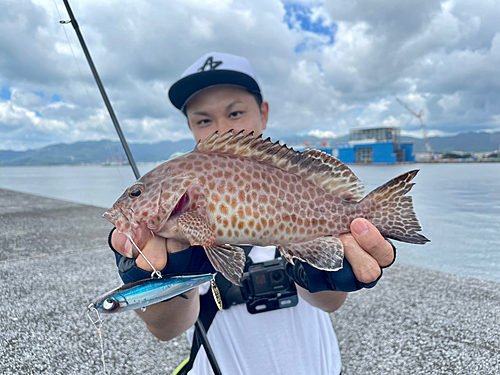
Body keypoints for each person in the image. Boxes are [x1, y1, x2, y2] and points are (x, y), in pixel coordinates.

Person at [109, 52, 395, 374]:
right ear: (190, 125)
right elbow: (165, 330)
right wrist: (168, 279)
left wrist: (327, 275)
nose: (222, 128)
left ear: (263, 113)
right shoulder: (171, 216)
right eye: (204, 120)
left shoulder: (287, 177)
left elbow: (329, 303)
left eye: (235, 113)